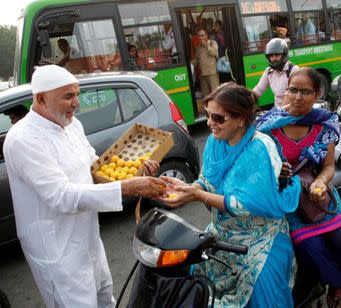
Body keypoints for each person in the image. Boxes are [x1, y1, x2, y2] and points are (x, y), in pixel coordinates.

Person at [3, 65, 167, 307]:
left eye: (77, 94)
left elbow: (95, 166)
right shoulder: (24, 139)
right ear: (41, 98)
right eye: (68, 96)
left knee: (105, 298)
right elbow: (61, 196)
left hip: (87, 236)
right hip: (56, 250)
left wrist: (136, 167)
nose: (76, 103)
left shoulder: (72, 125)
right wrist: (128, 187)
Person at [161, 83, 301, 307]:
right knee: (191, 284)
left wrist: (198, 196)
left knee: (266, 297)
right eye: (208, 115)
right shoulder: (215, 143)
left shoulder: (260, 149)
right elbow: (206, 180)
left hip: (259, 238)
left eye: (218, 117)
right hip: (221, 233)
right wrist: (186, 189)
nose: (209, 123)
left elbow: (244, 204)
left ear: (241, 119)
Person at [256, 68, 341, 308]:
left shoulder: (324, 126)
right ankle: (337, 284)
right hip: (289, 202)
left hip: (320, 196)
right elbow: (255, 167)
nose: (297, 97)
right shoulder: (268, 127)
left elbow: (328, 166)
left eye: (305, 92)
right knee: (311, 250)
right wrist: (276, 173)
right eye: (293, 90)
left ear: (317, 94)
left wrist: (320, 182)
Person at [253, 38, 300, 109]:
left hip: (292, 110)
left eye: (277, 55)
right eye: (271, 56)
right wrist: (247, 100)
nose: (274, 58)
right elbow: (258, 90)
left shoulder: (293, 70)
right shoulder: (268, 72)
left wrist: (280, 112)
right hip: (277, 111)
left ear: (284, 54)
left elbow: (294, 95)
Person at [191, 28, 220, 98]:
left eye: (202, 35)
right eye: (199, 36)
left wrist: (207, 46)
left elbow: (215, 53)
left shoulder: (212, 43)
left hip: (212, 73)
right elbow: (197, 59)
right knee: (205, 95)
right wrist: (190, 64)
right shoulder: (198, 47)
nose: (200, 37)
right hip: (202, 74)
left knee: (215, 94)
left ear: (206, 35)